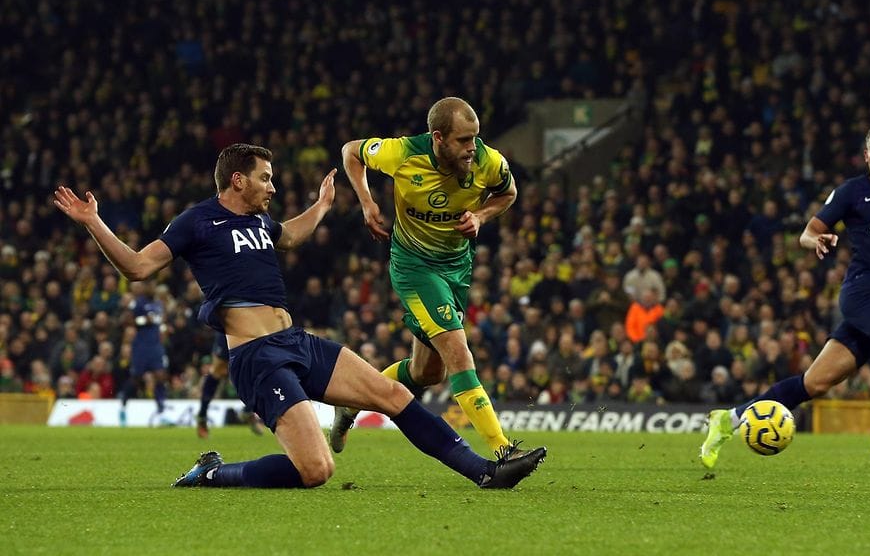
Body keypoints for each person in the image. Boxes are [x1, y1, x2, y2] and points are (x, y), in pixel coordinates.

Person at [54, 142, 545, 489]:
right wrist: (94, 221)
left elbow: (288, 234)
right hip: (256, 359)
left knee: (393, 392)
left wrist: (322, 206)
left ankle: (483, 471)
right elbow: (139, 267)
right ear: (238, 179)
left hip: (297, 343)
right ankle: (213, 473)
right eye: (266, 178)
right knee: (317, 471)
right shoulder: (197, 221)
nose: (272, 186)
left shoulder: (262, 221)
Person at [700, 123, 870, 468]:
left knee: (813, 383)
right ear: (865, 155)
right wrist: (818, 241)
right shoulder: (853, 192)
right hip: (865, 288)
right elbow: (808, 233)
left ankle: (728, 420)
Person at [331, 97, 532, 458]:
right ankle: (503, 449)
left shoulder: (490, 162)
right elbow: (351, 151)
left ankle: (350, 402)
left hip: (457, 267)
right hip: (415, 267)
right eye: (463, 140)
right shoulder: (403, 154)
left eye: (475, 138)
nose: (473, 148)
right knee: (457, 350)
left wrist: (482, 216)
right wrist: (366, 200)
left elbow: (508, 193)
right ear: (438, 138)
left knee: (427, 373)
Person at [195, 333, 264, 438]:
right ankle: (202, 416)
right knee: (218, 369)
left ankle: (249, 409)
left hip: (254, 323)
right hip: (230, 324)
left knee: (260, 366)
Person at [120, 281, 169, 423]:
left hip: (155, 345)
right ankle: (124, 397)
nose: (151, 288)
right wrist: (143, 320)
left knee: (160, 374)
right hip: (141, 346)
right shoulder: (138, 303)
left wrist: (164, 329)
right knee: (137, 377)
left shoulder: (159, 304)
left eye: (153, 286)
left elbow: (161, 321)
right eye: (149, 286)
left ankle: (161, 404)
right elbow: (128, 321)